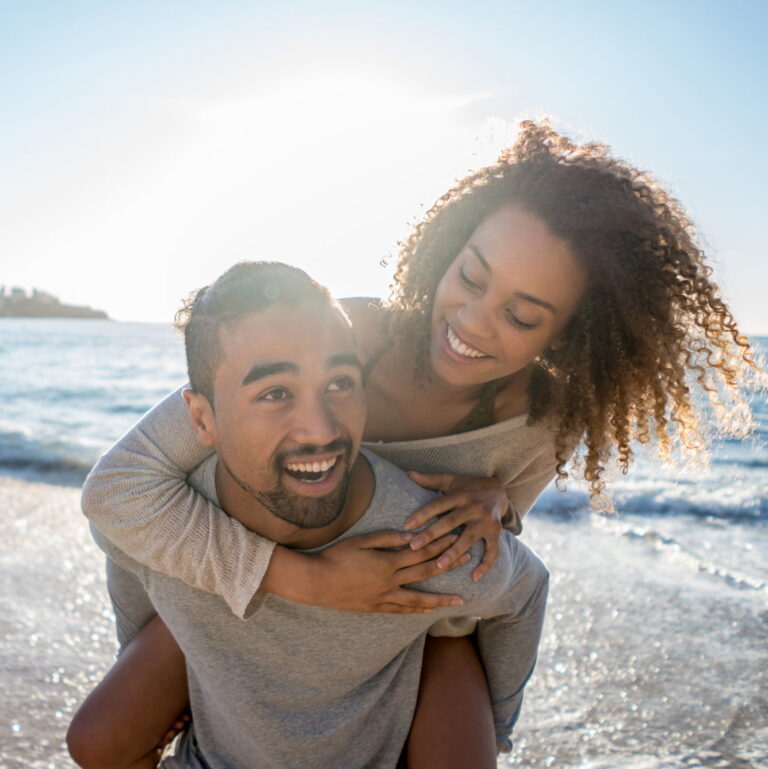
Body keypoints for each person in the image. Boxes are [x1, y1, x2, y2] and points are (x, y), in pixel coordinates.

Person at [76, 120, 761, 764]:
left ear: (566, 335)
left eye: (521, 316)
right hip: (263, 571)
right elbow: (128, 482)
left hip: (413, 620)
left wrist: (497, 504)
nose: (471, 321)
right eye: (469, 276)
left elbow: (496, 545)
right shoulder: (344, 338)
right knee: (103, 736)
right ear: (446, 246)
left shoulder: (544, 423)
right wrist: (302, 580)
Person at [68, 262, 550, 769]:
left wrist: (492, 729)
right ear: (201, 420)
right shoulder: (164, 514)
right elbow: (119, 536)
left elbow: (525, 589)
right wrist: (168, 663)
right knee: (94, 744)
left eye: (341, 382)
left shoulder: (415, 537)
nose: (319, 430)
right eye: (275, 393)